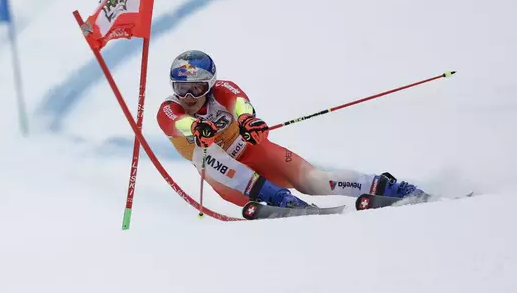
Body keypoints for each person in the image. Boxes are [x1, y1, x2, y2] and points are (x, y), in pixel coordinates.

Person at [156, 50, 426, 209]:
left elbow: (240, 103)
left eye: (197, 88)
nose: (189, 96)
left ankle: (386, 187)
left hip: (251, 152)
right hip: (230, 180)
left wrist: (248, 120)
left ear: (210, 84)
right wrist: (196, 127)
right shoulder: (169, 109)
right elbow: (177, 122)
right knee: (203, 154)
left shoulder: (223, 89)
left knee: (314, 181)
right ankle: (281, 200)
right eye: (181, 88)